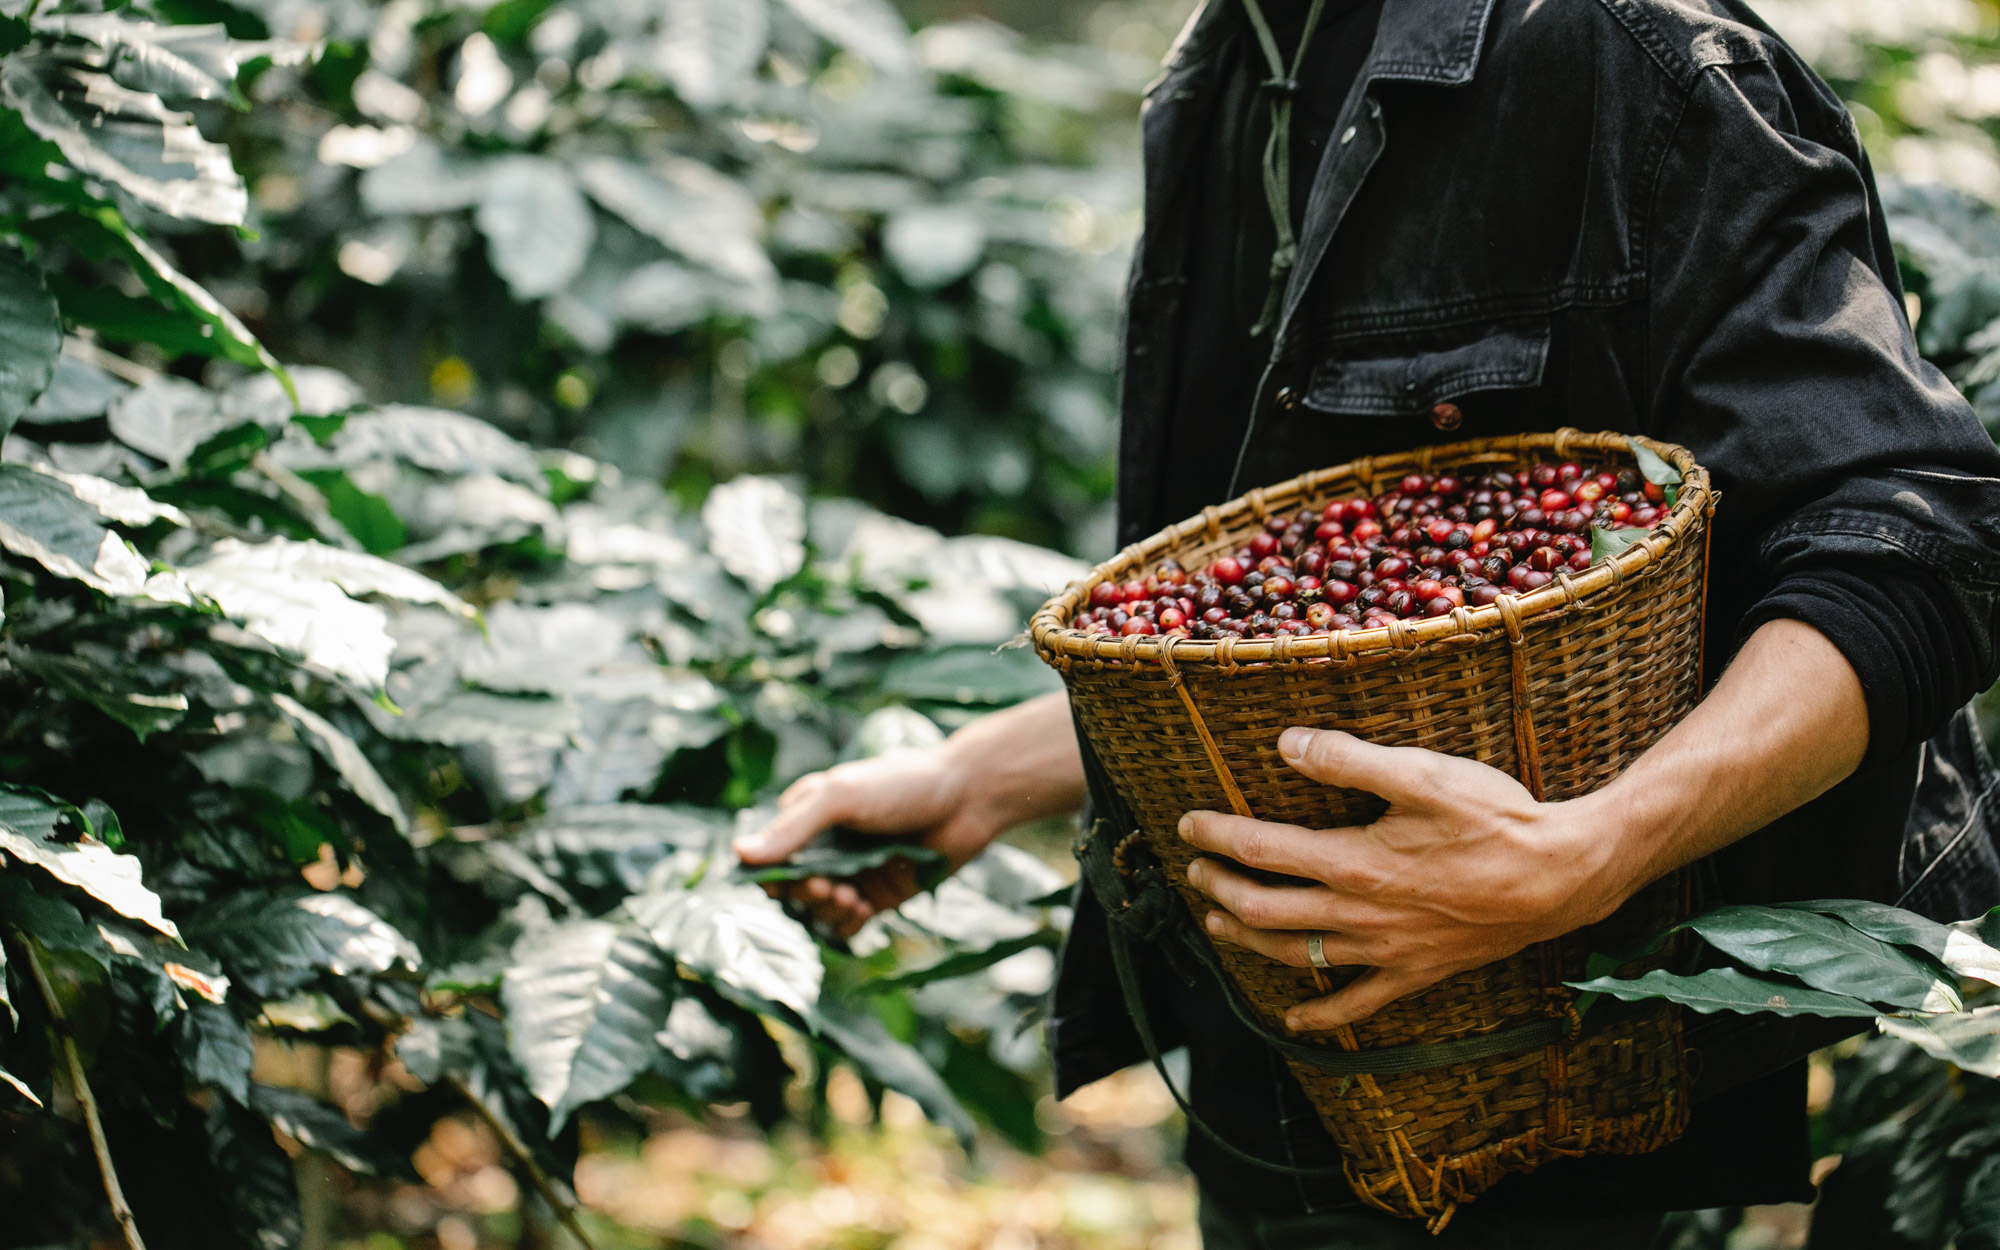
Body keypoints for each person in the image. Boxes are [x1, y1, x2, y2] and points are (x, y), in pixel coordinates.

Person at [737, 0, 2000, 1243]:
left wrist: (1592, 849)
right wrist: (972, 778)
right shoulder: (1230, 65)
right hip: (1280, 1079)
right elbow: (1286, 639)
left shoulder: (1620, 51)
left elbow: (1914, 547)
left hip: (1554, 1098)